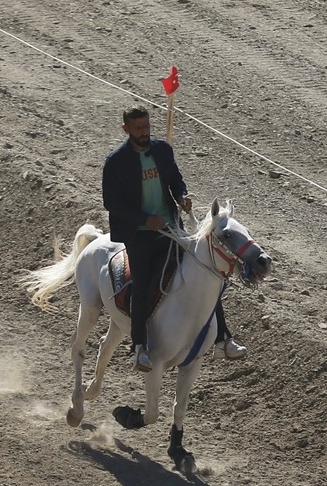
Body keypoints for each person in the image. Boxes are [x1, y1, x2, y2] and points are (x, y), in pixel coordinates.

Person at [101, 106, 246, 371]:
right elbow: (111, 202)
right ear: (126, 129)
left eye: (146, 126)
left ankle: (223, 339)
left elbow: (175, 180)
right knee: (142, 283)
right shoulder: (116, 161)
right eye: (138, 128)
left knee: (206, 272)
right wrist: (145, 219)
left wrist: (182, 196)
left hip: (171, 229)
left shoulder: (162, 150)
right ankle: (140, 346)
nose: (144, 132)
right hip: (140, 235)